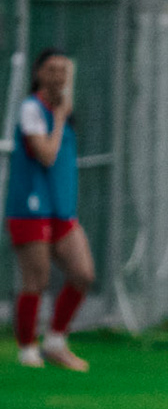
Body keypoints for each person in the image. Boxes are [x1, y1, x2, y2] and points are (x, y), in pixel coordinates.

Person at [8, 49, 94, 371]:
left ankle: (56, 340)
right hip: (31, 206)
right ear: (39, 73)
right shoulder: (33, 108)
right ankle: (27, 348)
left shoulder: (65, 111)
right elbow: (44, 154)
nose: (59, 76)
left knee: (83, 273)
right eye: (52, 69)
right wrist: (57, 119)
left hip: (60, 209)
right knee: (36, 278)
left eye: (64, 70)